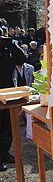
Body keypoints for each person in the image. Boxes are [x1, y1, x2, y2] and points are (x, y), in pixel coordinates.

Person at [0, 26, 27, 171]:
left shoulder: (7, 49)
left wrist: (12, 45)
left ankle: (4, 152)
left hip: (8, 91)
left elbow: (21, 60)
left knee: (7, 125)